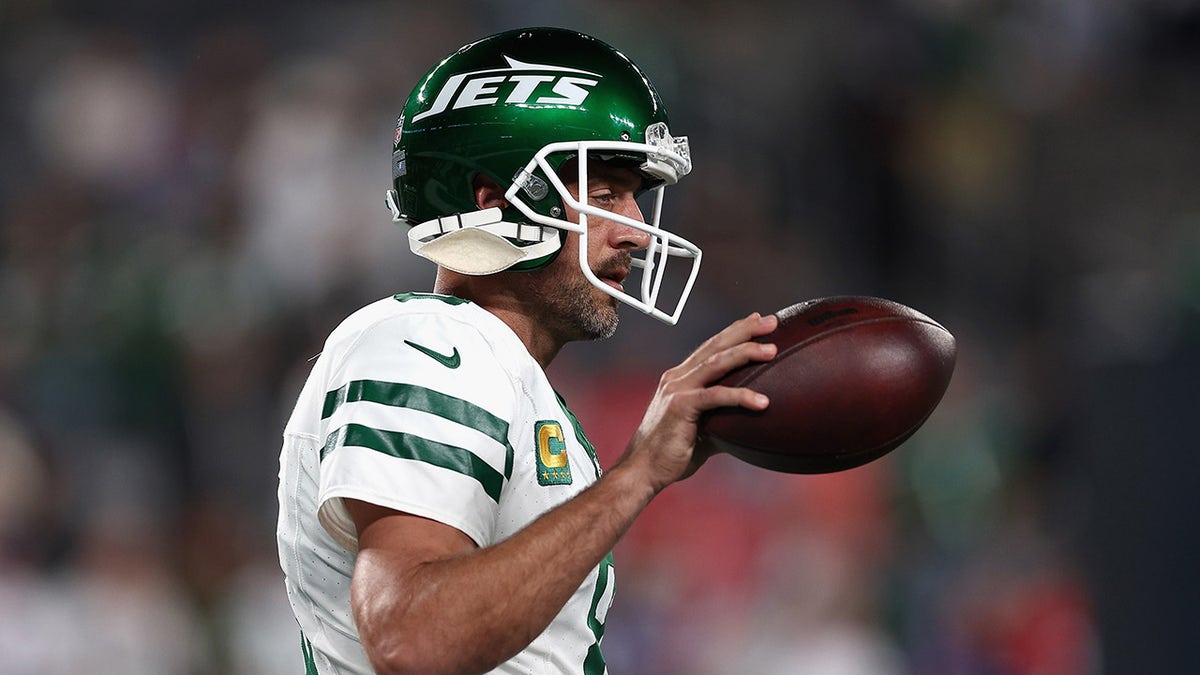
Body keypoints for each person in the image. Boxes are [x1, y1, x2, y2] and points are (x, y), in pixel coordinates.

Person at [276, 27, 778, 674]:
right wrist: (637, 473)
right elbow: (413, 638)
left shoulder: (503, 376)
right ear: (491, 200)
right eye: (603, 196)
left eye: (636, 198)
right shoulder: (431, 343)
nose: (639, 235)